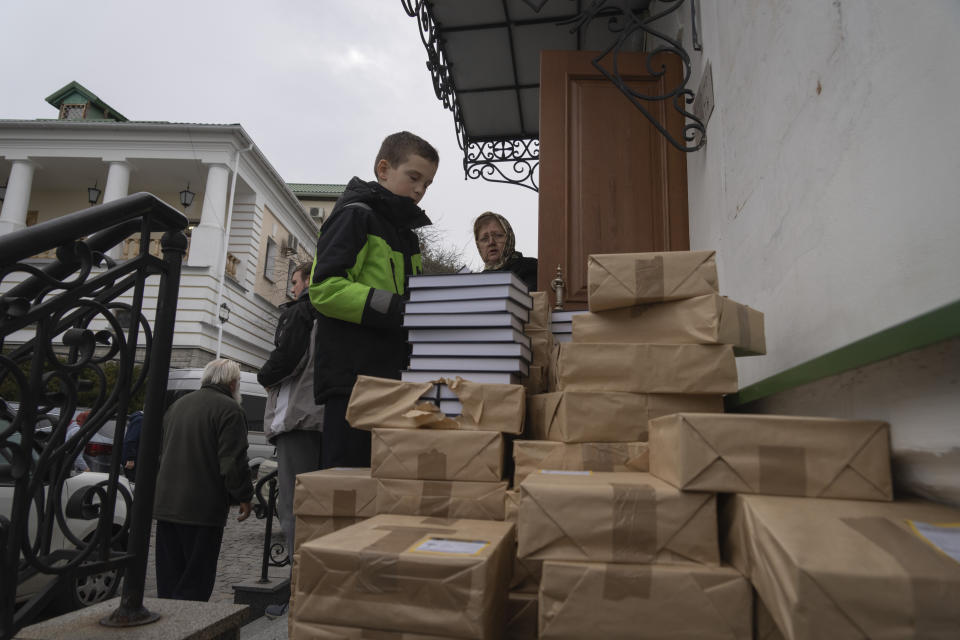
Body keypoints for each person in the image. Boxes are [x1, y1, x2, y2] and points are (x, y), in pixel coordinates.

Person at [308, 131, 438, 469]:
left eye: (428, 184)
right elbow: (324, 287)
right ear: (383, 169)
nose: (420, 190)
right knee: (348, 489)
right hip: (353, 380)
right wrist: (400, 309)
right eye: (414, 177)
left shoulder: (407, 236)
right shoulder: (356, 214)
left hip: (392, 377)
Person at [153, 358, 254, 601]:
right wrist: (244, 496)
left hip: (167, 504)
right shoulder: (230, 409)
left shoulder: (177, 405)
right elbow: (232, 461)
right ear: (232, 383)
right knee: (196, 580)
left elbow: (161, 451)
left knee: (169, 579)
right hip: (201, 507)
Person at [258, 261, 323, 618]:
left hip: (299, 418)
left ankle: (299, 593)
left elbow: (287, 360)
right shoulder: (330, 309)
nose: (293, 289)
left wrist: (263, 375)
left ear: (308, 280)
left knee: (295, 511)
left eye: (296, 281)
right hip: (321, 419)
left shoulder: (302, 310)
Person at [473, 211, 538, 291]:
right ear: (478, 245)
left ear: (509, 237)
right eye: (484, 239)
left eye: (498, 235)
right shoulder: (476, 283)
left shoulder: (530, 267)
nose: (491, 242)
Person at [121, 410, 142, 481]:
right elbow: (131, 440)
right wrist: (130, 459)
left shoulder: (139, 419)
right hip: (134, 461)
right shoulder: (140, 420)